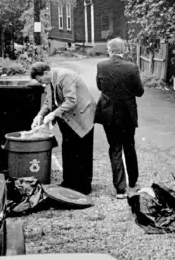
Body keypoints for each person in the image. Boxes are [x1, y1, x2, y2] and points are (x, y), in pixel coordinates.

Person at [30, 62, 96, 195]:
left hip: (82, 115)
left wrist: (53, 114)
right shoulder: (49, 81)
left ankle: (84, 186)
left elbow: (71, 100)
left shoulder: (65, 76)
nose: (41, 83)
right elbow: (49, 101)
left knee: (83, 151)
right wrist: (39, 115)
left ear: (46, 73)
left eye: (41, 80)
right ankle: (69, 182)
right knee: (68, 149)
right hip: (67, 116)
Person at [95, 38, 145, 199]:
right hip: (127, 113)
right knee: (129, 146)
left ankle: (120, 188)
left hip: (108, 112)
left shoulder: (101, 66)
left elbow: (100, 87)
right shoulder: (132, 67)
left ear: (109, 50)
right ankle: (133, 180)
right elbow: (139, 91)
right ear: (124, 50)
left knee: (115, 148)